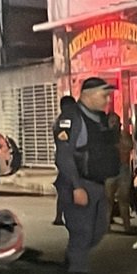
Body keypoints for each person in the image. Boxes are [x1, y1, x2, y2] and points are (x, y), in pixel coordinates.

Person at [53, 77, 123, 274]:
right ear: (87, 95)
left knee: (97, 231)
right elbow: (64, 156)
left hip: (97, 185)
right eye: (104, 95)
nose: (107, 100)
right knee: (82, 233)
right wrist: (76, 186)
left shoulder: (99, 118)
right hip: (79, 185)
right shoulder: (71, 118)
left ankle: (70, 268)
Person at [104, 112, 134, 231]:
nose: (114, 125)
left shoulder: (124, 136)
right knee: (108, 199)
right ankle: (106, 225)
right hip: (109, 169)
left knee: (124, 197)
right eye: (112, 122)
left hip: (123, 168)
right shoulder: (104, 136)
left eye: (116, 122)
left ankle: (127, 225)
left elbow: (129, 146)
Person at [51, 95, 77, 226]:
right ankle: (63, 216)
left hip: (66, 159)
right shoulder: (66, 119)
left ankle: (60, 216)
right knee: (67, 189)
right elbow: (64, 135)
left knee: (65, 188)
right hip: (69, 160)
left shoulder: (63, 119)